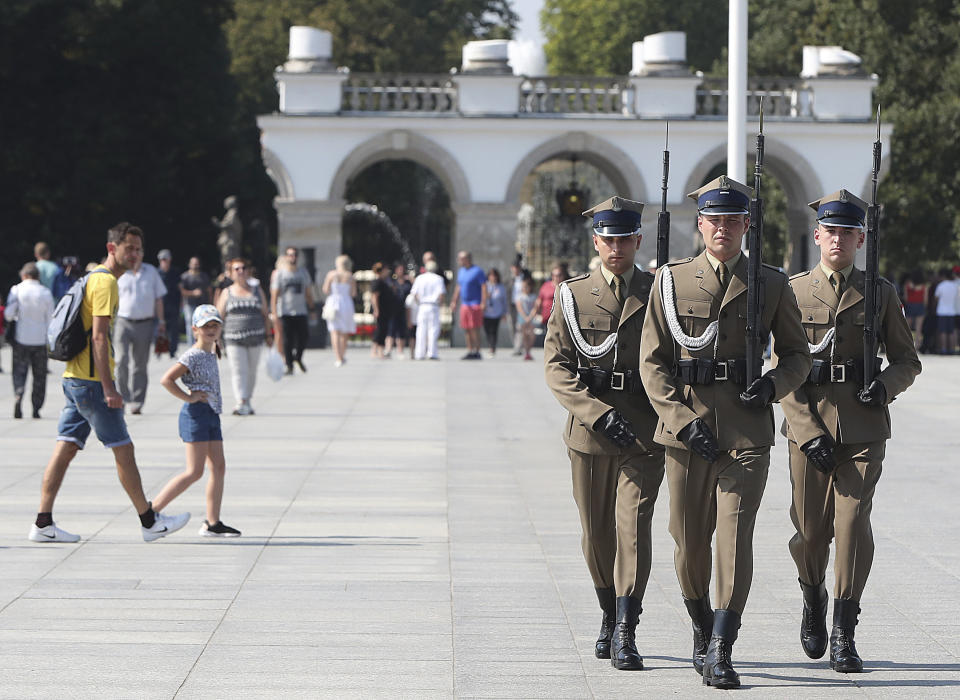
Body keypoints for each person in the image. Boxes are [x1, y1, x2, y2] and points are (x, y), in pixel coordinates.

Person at [639, 176, 811, 689]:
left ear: (746, 226)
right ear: (700, 224)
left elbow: (799, 355)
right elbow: (652, 363)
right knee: (689, 541)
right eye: (714, 220)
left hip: (745, 431)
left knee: (734, 538)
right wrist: (681, 421)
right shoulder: (670, 282)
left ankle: (722, 642)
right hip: (686, 432)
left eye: (733, 221)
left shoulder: (770, 283)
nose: (723, 229)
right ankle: (699, 622)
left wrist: (773, 385)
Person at [778, 189, 921, 674]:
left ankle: (844, 627)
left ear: (860, 238)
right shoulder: (793, 291)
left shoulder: (879, 292)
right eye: (830, 230)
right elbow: (783, 368)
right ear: (816, 234)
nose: (837, 238)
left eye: (847, 232)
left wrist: (884, 387)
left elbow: (907, 360)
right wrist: (805, 428)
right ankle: (812, 592)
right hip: (809, 426)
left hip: (863, 428)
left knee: (853, 525)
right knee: (810, 534)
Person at [544, 197, 665, 671]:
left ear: (638, 240)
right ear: (596, 242)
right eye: (608, 239)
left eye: (625, 239)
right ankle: (607, 611)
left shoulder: (660, 292)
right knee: (596, 534)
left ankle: (626, 627)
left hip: (642, 431)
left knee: (633, 526)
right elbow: (556, 365)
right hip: (590, 433)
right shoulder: (573, 294)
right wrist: (594, 412)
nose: (616, 247)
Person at [28, 222, 190, 543]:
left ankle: (43, 523)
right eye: (129, 248)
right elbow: (99, 338)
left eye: (139, 250)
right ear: (111, 248)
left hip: (74, 379)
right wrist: (108, 387)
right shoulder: (105, 284)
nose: (135, 255)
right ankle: (149, 521)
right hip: (90, 383)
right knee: (123, 449)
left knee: (66, 446)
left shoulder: (91, 278)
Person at [152, 304, 241, 537]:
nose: (210, 330)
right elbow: (167, 379)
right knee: (194, 471)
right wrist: (188, 397)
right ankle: (151, 512)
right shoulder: (193, 355)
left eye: (214, 325)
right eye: (205, 326)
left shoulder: (211, 351)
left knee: (219, 467)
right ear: (195, 330)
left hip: (211, 413)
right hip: (196, 414)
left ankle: (212, 523)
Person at [114, 244, 167, 414]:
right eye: (131, 252)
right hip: (123, 321)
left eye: (138, 252)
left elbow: (158, 298)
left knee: (140, 364)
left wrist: (161, 321)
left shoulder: (151, 272)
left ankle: (137, 401)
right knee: (120, 360)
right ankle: (122, 396)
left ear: (142, 255)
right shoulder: (120, 272)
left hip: (145, 322)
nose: (135, 255)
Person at [217, 258, 270, 415]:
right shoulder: (227, 292)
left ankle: (248, 398)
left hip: (255, 337)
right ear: (231, 273)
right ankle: (241, 401)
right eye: (236, 269)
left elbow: (265, 315)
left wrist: (269, 335)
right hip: (234, 338)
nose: (241, 271)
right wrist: (216, 339)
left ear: (248, 271)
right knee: (239, 370)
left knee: (252, 371)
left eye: (243, 268)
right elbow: (219, 316)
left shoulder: (257, 291)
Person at [5, 262, 54, 418]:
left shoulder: (17, 290)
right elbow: (51, 319)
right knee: (39, 376)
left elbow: (8, 314)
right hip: (40, 340)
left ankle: (19, 394)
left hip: (21, 338)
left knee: (19, 372)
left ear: (24, 275)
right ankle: (36, 407)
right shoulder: (45, 293)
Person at [270, 246, 315, 374]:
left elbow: (308, 293)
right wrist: (274, 313)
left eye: (294, 255)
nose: (292, 257)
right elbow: (274, 295)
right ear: (286, 257)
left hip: (301, 310)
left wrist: (312, 309)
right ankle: (289, 365)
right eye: (290, 255)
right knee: (287, 340)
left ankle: (298, 357)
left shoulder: (303, 273)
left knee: (304, 337)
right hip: (285, 311)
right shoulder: (280, 274)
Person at [450, 251, 487, 359]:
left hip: (475, 304)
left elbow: (484, 287)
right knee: (466, 329)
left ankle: (477, 350)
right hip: (465, 305)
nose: (459, 261)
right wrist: (454, 301)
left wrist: (483, 302)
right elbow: (458, 287)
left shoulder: (477, 271)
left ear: (467, 259)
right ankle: (470, 350)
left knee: (475, 328)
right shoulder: (461, 271)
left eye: (461, 259)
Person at [322, 254, 357, 367]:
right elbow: (353, 293)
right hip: (346, 303)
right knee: (344, 331)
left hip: (333, 302)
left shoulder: (331, 274)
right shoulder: (350, 276)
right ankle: (342, 355)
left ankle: (337, 357)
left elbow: (326, 290)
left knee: (334, 331)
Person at [410, 260, 446, 360]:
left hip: (422, 306)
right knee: (433, 330)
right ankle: (432, 353)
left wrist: (419, 302)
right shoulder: (438, 279)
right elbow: (441, 294)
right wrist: (441, 304)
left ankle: (419, 353)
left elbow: (414, 293)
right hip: (433, 305)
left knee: (421, 329)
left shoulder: (420, 278)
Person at [180, 256, 212, 342]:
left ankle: (202, 344)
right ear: (189, 264)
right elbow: (182, 291)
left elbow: (209, 290)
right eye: (194, 263)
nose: (195, 265)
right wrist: (193, 293)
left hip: (203, 305)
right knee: (191, 326)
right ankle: (192, 346)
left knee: (203, 325)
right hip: (189, 305)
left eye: (197, 263)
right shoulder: (185, 276)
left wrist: (210, 303)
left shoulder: (204, 276)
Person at [156, 249, 182, 357]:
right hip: (160, 305)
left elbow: (180, 289)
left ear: (169, 260)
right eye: (162, 260)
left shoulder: (175, 272)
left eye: (166, 259)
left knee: (174, 329)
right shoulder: (156, 273)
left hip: (174, 304)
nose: (164, 262)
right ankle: (160, 350)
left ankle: (172, 350)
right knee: (160, 328)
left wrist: (181, 303)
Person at [370, 262, 395, 358]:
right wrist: (376, 310)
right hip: (381, 310)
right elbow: (374, 297)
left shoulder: (385, 281)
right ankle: (376, 350)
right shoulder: (377, 282)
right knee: (380, 330)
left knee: (383, 330)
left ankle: (379, 351)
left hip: (386, 310)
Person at [482, 268, 507, 357]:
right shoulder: (485, 286)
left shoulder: (501, 287)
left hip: (497, 312)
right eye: (491, 276)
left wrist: (504, 313)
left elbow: (504, 300)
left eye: (494, 276)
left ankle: (492, 348)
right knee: (487, 330)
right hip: (486, 312)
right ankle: (490, 345)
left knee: (493, 331)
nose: (493, 277)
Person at [933, 267, 959, 354]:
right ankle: (952, 349)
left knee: (943, 331)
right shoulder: (955, 286)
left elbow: (936, 298)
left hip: (942, 311)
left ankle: (943, 349)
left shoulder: (941, 286)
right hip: (952, 311)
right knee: (951, 332)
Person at [389, 263, 411, 358]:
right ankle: (388, 350)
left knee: (401, 330)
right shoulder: (392, 282)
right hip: (393, 309)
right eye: (399, 269)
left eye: (402, 269)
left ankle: (400, 351)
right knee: (391, 330)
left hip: (404, 309)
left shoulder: (408, 283)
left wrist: (410, 278)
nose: (400, 272)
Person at [901, 270, 927, 349]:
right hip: (920, 306)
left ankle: (907, 344)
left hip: (910, 305)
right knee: (918, 328)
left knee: (907, 327)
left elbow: (906, 298)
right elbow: (925, 299)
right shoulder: (923, 286)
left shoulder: (908, 285)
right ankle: (917, 346)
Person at [515, 276, 537, 361]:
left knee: (531, 335)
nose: (524, 288)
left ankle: (529, 350)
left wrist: (530, 316)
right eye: (523, 287)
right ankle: (526, 352)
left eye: (526, 286)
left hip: (531, 318)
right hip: (522, 318)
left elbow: (535, 307)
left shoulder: (533, 296)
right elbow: (519, 307)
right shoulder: (520, 296)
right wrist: (525, 317)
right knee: (524, 335)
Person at [509, 261, 528, 355]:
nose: (515, 270)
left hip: (523, 305)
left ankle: (520, 347)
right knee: (513, 326)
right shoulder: (510, 279)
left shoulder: (525, 278)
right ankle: (516, 346)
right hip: (512, 305)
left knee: (521, 326)